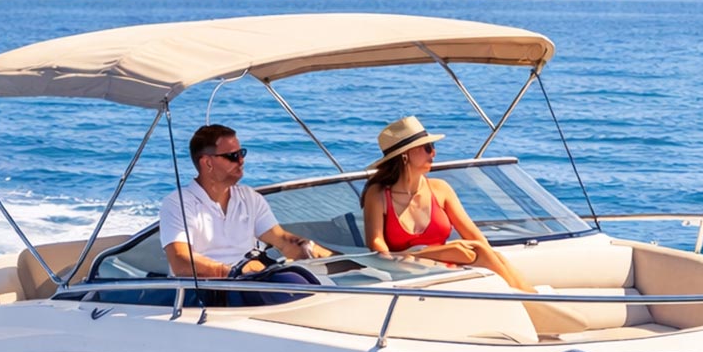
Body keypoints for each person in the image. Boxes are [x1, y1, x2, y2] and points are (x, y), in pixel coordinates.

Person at [361, 115, 532, 291]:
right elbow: (377, 247)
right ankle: (529, 300)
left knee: (483, 251)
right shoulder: (378, 194)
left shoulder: (440, 189)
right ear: (406, 155)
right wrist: (414, 255)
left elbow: (475, 236)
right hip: (410, 270)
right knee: (469, 251)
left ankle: (529, 298)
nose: (434, 153)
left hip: (449, 268)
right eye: (428, 148)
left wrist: (466, 250)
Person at [161, 124, 331, 277]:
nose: (241, 161)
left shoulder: (250, 198)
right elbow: (181, 262)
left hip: (249, 284)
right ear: (208, 163)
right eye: (232, 156)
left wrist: (336, 260)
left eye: (241, 153)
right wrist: (235, 272)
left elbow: (283, 241)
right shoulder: (178, 204)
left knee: (302, 279)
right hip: (205, 294)